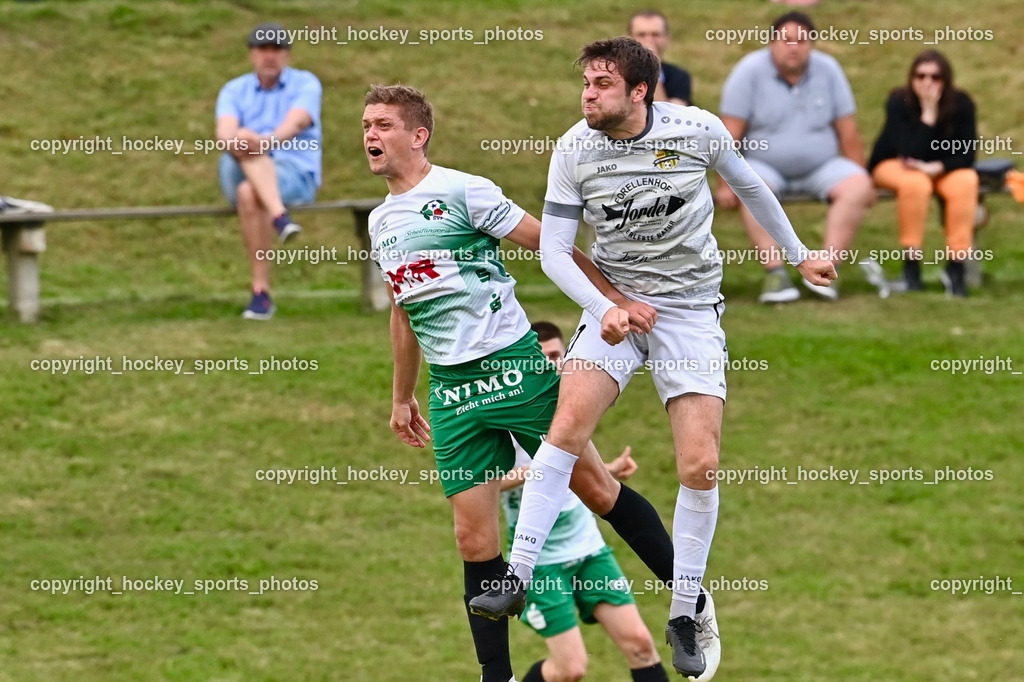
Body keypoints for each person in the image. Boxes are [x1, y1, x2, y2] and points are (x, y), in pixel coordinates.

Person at [469, 37, 834, 680]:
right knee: (565, 429)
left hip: (689, 313)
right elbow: (553, 250)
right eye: (585, 83)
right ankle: (517, 575)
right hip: (614, 307)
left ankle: (687, 611)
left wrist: (801, 255)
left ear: (640, 91)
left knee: (700, 465)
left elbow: (751, 189)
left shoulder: (697, 130)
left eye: (601, 84)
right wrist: (606, 305)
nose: (587, 95)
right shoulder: (573, 148)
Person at [363, 84, 677, 682]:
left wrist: (614, 300)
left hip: (515, 369)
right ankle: (496, 676)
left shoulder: (463, 191)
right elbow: (403, 312)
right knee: (472, 539)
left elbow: (552, 247)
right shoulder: (381, 221)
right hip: (452, 392)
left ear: (418, 135)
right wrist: (402, 397)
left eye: (383, 124)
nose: (370, 136)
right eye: (366, 126)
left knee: (598, 490)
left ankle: (689, 600)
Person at [503, 322, 669, 682]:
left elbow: (577, 473)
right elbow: (482, 482)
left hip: (589, 550)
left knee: (641, 644)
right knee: (571, 669)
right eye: (541, 358)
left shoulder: (570, 409)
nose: (551, 364)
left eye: (556, 355)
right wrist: (543, 468)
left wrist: (607, 471)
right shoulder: (506, 418)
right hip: (541, 563)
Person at [715, 12, 878, 303]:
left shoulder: (829, 70)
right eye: (786, 40)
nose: (794, 47)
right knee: (750, 184)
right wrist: (724, 184)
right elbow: (729, 134)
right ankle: (776, 275)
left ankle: (827, 270)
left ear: (811, 44)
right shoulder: (748, 71)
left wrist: (864, 177)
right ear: (772, 43)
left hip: (821, 166)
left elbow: (848, 131)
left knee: (858, 185)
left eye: (801, 41)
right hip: (764, 165)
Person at [216, 22, 322, 319]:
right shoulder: (234, 89)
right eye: (263, 49)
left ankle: (260, 293)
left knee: (249, 192)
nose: (269, 55)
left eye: (276, 49)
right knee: (242, 143)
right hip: (238, 167)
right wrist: (246, 141)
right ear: (252, 54)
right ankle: (279, 216)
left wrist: (264, 142)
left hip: (294, 175)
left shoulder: (306, 84)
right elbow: (224, 133)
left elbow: (296, 122)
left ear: (287, 54)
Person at [867, 50, 978, 297]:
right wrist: (928, 115)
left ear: (946, 80)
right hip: (894, 163)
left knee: (966, 181)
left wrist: (937, 167)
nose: (927, 83)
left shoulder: (961, 104)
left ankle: (956, 267)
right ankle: (911, 265)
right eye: (920, 76)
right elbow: (908, 151)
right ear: (912, 78)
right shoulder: (899, 101)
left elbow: (967, 155)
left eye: (935, 77)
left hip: (940, 168)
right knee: (915, 183)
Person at [627, 10, 691, 106]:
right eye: (641, 35)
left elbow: (671, 113)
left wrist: (650, 66)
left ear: (666, 38)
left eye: (655, 35)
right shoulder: (618, 73)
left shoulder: (679, 76)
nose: (649, 41)